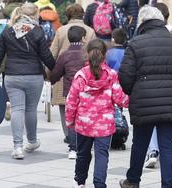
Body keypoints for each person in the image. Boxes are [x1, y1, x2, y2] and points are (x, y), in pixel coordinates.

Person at [118, 5, 172, 188]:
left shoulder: (135, 44)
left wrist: (134, 92)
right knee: (167, 145)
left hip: (144, 102)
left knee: (140, 143)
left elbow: (125, 75)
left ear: (143, 22)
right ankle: (168, 185)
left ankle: (133, 181)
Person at [0, 2, 55, 160]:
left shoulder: (8, 31)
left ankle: (17, 147)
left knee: (17, 109)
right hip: (34, 76)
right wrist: (57, 71)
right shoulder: (38, 31)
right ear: (35, 15)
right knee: (30, 109)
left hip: (12, 76)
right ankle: (32, 141)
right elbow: (46, 56)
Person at [66, 39, 129, 188]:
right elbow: (120, 99)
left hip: (84, 123)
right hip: (105, 125)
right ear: (105, 54)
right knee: (102, 155)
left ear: (87, 54)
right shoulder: (111, 75)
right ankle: (99, 183)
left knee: (83, 153)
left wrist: (70, 121)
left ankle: (80, 181)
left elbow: (71, 101)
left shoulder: (80, 76)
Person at [50, 3, 95, 145]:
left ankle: (69, 135)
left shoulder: (61, 31)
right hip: (85, 76)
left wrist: (49, 74)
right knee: (85, 106)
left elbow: (52, 53)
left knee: (65, 107)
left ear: (68, 15)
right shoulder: (90, 31)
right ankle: (83, 134)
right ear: (82, 14)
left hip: (64, 76)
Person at [145, 2, 172, 169]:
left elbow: (129, 73)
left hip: (149, 96)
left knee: (147, 131)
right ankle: (169, 183)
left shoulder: (141, 39)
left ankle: (152, 151)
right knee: (168, 144)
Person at [50, 26, 87, 160]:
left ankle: (73, 148)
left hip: (70, 91)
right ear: (83, 38)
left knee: (71, 119)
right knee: (84, 117)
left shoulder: (64, 54)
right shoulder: (86, 53)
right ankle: (85, 145)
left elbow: (56, 73)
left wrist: (52, 80)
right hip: (86, 91)